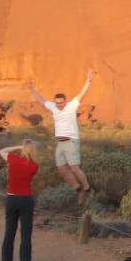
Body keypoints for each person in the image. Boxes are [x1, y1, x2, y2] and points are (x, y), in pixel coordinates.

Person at [28, 69, 95, 201]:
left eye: (61, 102)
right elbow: (41, 100)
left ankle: (88, 190)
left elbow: (82, 94)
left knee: (74, 168)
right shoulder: (53, 107)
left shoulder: (71, 106)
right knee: (62, 169)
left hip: (71, 141)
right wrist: (31, 89)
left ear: (65, 101)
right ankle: (79, 190)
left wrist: (88, 80)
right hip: (60, 143)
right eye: (57, 102)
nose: (59, 105)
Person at [0, 140, 40, 261]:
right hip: (26, 199)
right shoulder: (34, 166)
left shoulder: (13, 159)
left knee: (9, 231)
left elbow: (2, 151)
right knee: (26, 233)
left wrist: (17, 147)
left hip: (12, 198)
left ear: (23, 149)